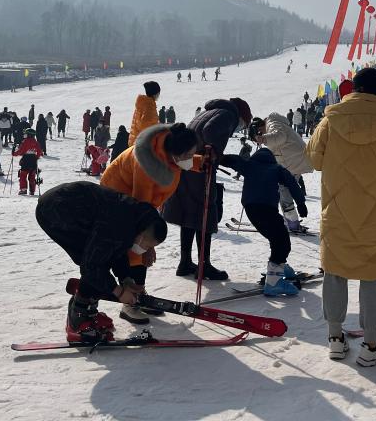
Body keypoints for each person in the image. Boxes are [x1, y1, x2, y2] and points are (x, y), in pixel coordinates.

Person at [307, 67, 376, 367]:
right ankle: (372, 345)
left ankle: (335, 339)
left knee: (334, 273)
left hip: (337, 210)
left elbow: (314, 159)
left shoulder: (330, 121)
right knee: (372, 277)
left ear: (353, 89)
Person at [36, 180, 170, 341]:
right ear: (141, 235)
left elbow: (118, 251)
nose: (146, 250)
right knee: (94, 264)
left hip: (70, 205)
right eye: (147, 245)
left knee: (101, 259)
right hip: (56, 211)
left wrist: (126, 280)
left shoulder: (136, 218)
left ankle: (88, 310)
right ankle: (78, 321)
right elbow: (92, 265)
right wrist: (119, 292)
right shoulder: (118, 225)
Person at [101, 122, 200, 323]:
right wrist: (148, 245)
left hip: (140, 203)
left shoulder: (170, 149)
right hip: (118, 198)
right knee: (136, 247)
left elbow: (183, 160)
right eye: (189, 155)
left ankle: (139, 293)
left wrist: (204, 161)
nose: (192, 158)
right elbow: (141, 210)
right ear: (176, 153)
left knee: (142, 247)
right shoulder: (146, 167)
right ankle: (130, 302)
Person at [164, 98, 253, 282]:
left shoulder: (209, 111)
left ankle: (185, 262)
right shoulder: (228, 114)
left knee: (188, 216)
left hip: (187, 165)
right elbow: (210, 131)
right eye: (243, 124)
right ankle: (204, 265)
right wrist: (214, 153)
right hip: (201, 169)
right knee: (204, 215)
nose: (240, 128)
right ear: (241, 117)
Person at [224, 147, 307, 296]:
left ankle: (280, 266)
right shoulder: (276, 168)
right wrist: (300, 203)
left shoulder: (249, 165)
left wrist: (217, 157)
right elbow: (292, 183)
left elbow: (233, 160)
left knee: (276, 239)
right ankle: (273, 282)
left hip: (251, 210)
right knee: (282, 241)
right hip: (268, 209)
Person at [249, 112, 314, 232]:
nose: (261, 138)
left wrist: (263, 138)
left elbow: (280, 137)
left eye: (259, 135)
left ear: (260, 129)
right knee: (284, 189)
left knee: (283, 190)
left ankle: (292, 223)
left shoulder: (272, 123)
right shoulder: (274, 125)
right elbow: (278, 150)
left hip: (294, 161)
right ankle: (290, 220)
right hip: (295, 160)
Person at [15, 128, 43, 196]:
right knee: (32, 176)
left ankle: (23, 189)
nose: (25, 134)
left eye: (26, 133)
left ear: (29, 135)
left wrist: (14, 153)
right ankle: (32, 191)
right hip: (33, 160)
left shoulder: (25, 141)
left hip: (26, 160)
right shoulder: (36, 142)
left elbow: (21, 151)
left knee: (23, 175)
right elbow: (39, 151)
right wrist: (36, 157)